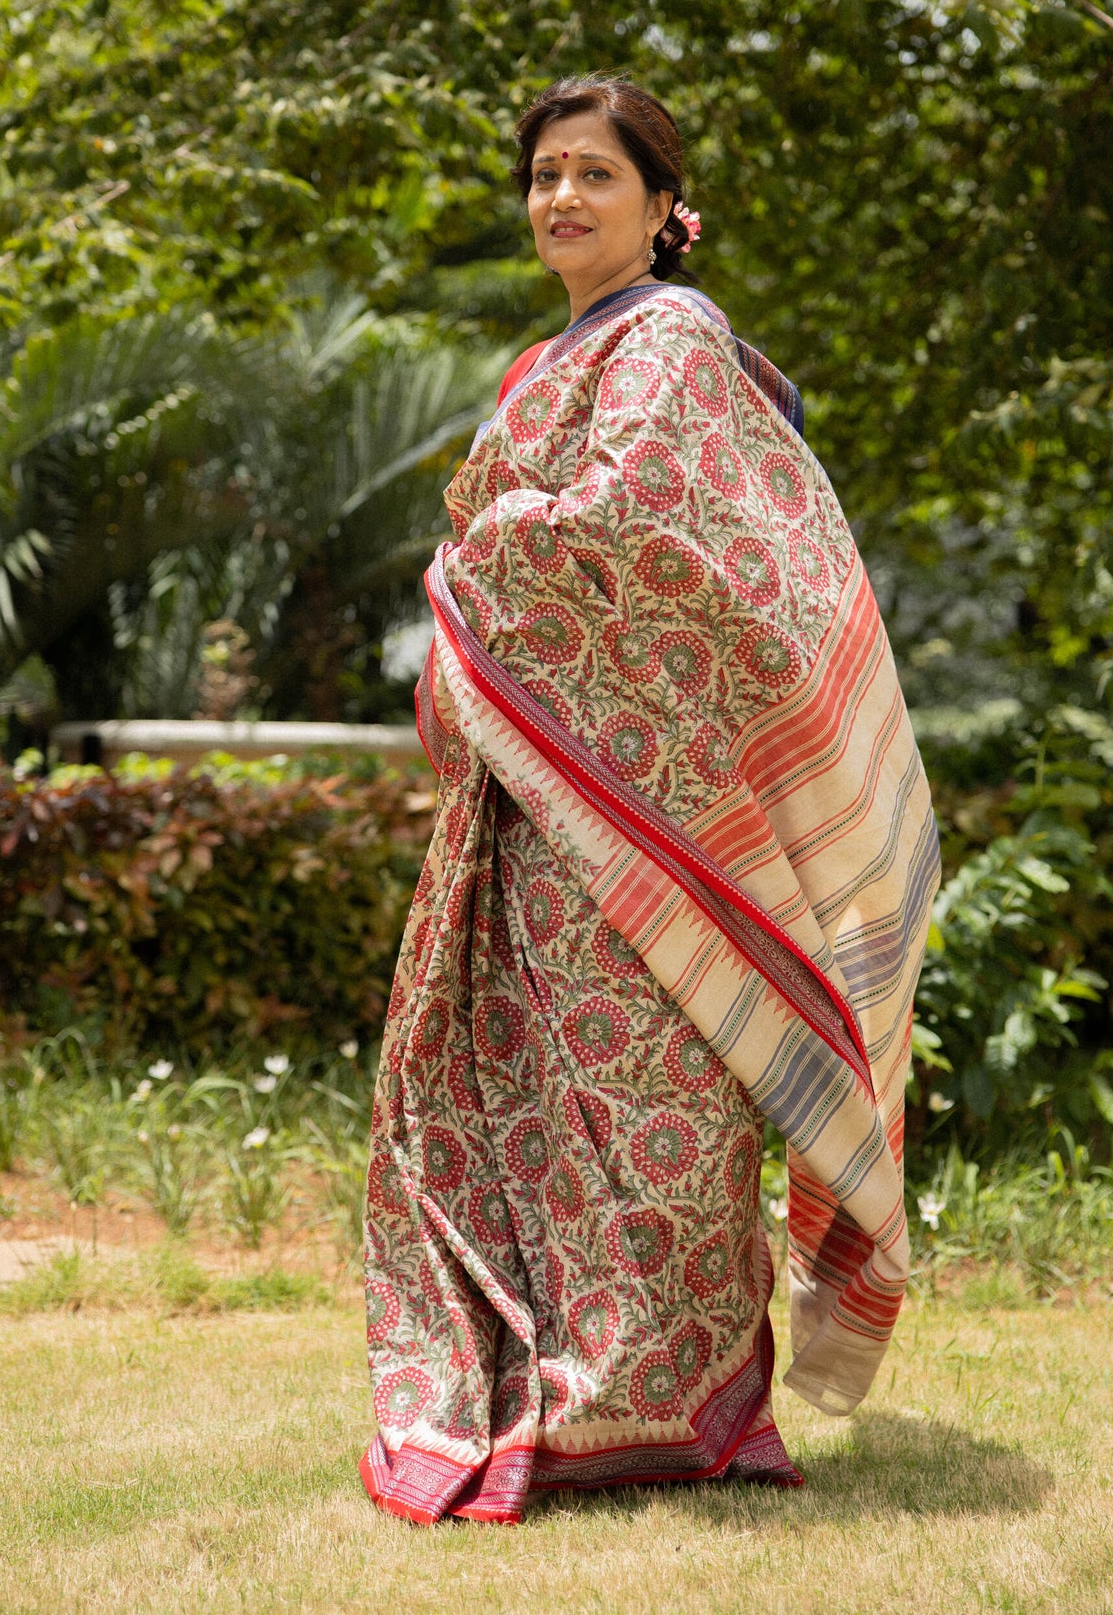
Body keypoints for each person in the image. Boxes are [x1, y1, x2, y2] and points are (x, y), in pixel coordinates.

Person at [360, 75, 938, 1524]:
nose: (559, 199)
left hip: (633, 811)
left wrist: (474, 553)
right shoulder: (548, 356)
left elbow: (631, 521)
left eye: (591, 175)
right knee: (527, 1098)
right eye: (542, 176)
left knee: (645, 1097)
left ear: (658, 204)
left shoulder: (668, 340)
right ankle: (557, 1385)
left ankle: (655, 1405)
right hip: (539, 797)